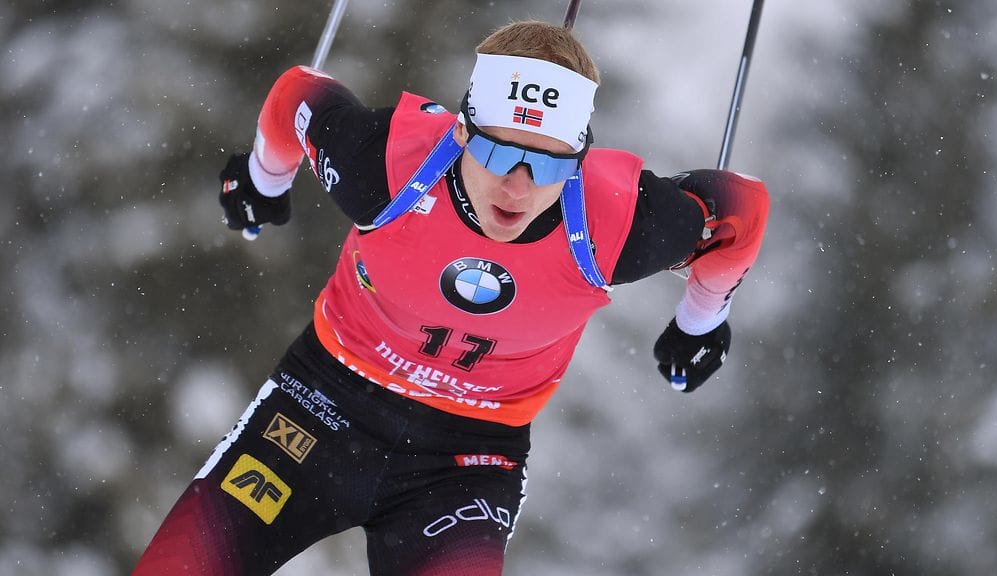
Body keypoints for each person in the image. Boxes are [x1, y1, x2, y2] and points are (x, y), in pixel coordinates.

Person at [133, 19, 769, 576]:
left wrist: (700, 319)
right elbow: (298, 93)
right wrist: (262, 178)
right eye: (497, 152)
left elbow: (743, 210)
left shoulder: (619, 222)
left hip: (466, 465)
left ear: (580, 159)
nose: (518, 188)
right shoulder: (386, 165)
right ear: (462, 132)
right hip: (318, 411)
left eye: (549, 164)